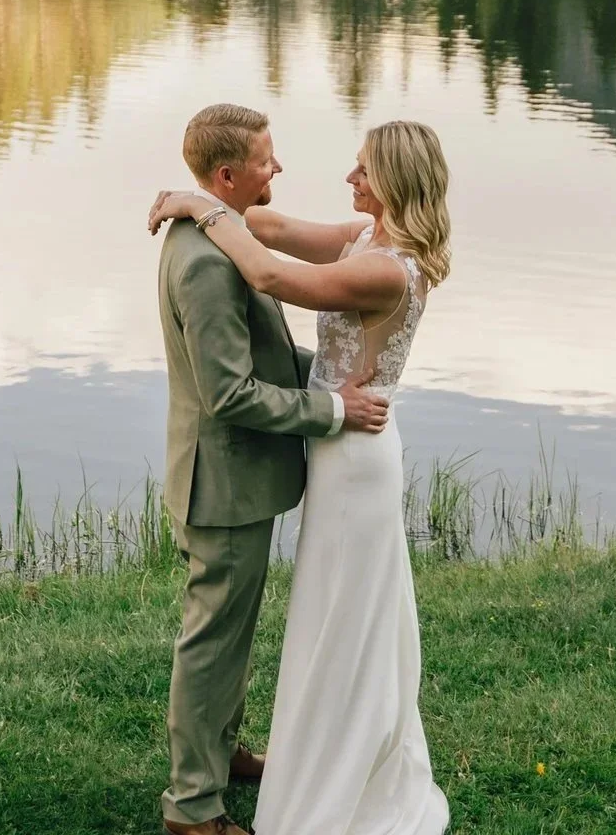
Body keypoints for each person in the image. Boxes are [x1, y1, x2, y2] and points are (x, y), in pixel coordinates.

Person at [149, 116, 453, 835]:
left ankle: (330, 755)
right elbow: (273, 228)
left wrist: (199, 204)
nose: (349, 177)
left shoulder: (386, 266)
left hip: (355, 448)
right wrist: (205, 200)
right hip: (335, 441)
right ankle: (213, 782)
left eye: (363, 169)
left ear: (394, 183)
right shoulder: (363, 237)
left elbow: (269, 272)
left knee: (346, 613)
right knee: (324, 609)